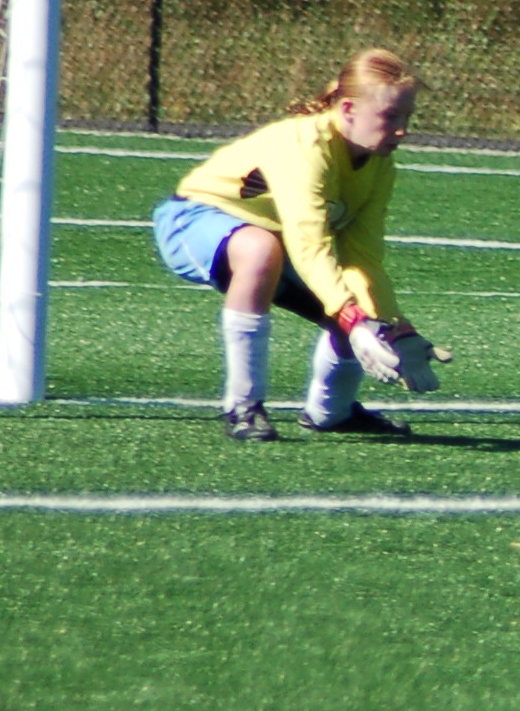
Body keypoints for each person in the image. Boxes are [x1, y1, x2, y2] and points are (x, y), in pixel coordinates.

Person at [150, 48, 442, 441]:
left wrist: (394, 325)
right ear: (349, 109)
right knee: (261, 249)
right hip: (191, 220)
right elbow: (310, 245)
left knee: (353, 303)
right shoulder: (306, 146)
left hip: (280, 240)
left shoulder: (380, 166)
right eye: (390, 116)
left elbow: (363, 260)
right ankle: (243, 406)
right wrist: (353, 319)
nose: (402, 130)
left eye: (408, 117)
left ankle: (331, 413)